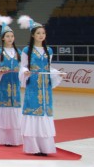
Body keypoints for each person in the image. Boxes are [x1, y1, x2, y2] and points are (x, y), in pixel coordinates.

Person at [18, 15, 64, 156]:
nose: (41, 35)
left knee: (45, 113)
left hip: (45, 87)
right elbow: (23, 66)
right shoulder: (27, 50)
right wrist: (25, 72)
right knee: (33, 112)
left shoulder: (49, 51)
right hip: (33, 86)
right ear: (33, 35)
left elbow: (48, 68)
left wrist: (57, 73)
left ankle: (45, 147)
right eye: (38, 33)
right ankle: (33, 147)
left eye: (43, 33)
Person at [0, 15, 22, 146]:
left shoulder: (18, 51)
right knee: (5, 109)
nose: (10, 38)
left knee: (14, 110)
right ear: (3, 38)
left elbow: (22, 67)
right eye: (7, 36)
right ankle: (3, 138)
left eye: (12, 36)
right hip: (4, 84)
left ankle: (14, 139)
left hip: (15, 84)